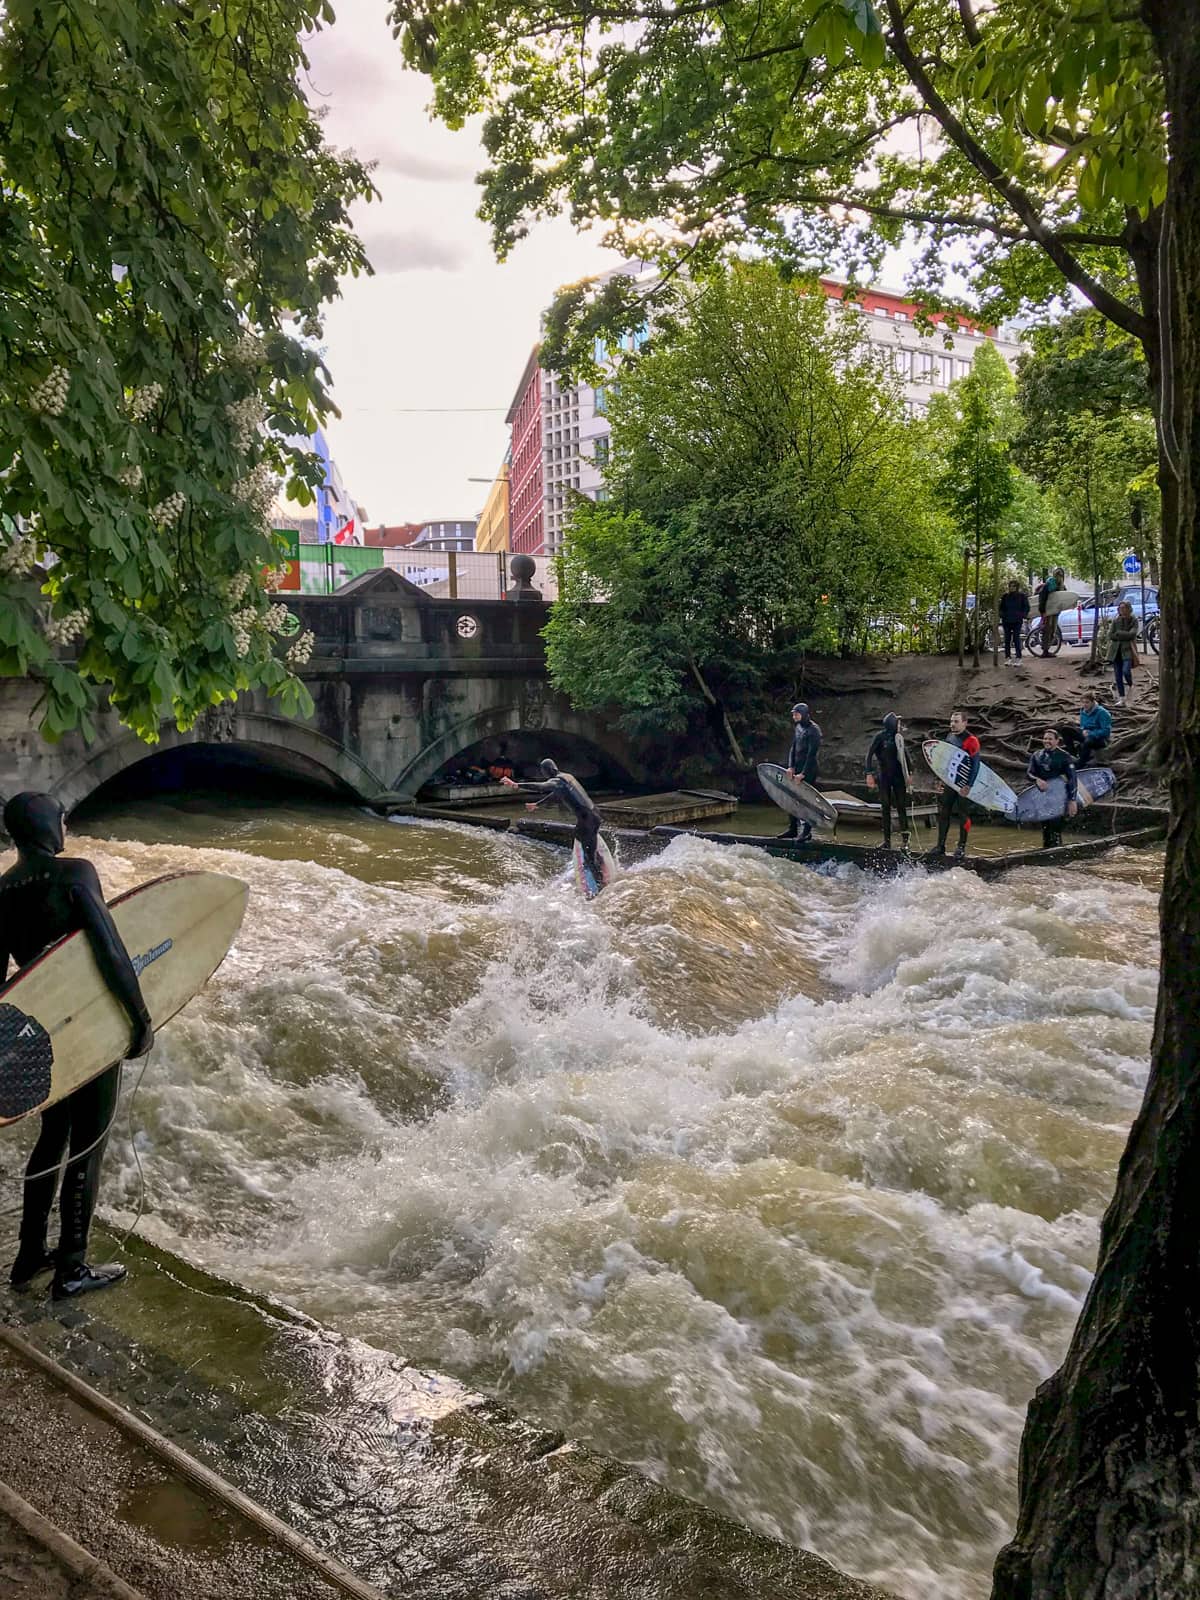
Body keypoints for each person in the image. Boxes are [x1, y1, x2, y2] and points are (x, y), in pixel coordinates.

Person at [0, 792, 154, 1300]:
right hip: (89, 1021)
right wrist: (139, 1018)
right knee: (89, 1140)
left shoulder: (2, 890)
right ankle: (71, 1266)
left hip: (40, 1033)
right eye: (60, 818)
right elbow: (109, 947)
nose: (64, 824)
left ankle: (27, 1256)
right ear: (47, 825)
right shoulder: (75, 873)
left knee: (53, 1135)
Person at [500, 759, 603, 876]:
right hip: (595, 814)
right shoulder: (567, 777)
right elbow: (557, 793)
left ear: (549, 771)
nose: (545, 776)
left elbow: (542, 787)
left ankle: (598, 883)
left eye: (544, 773)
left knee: (589, 856)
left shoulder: (557, 781)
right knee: (579, 835)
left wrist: (516, 785)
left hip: (587, 821)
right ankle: (595, 857)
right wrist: (537, 804)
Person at [928, 709, 979, 861]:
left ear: (965, 722)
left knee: (963, 814)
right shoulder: (950, 736)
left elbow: (975, 765)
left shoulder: (972, 740)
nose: (952, 724)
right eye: (951, 721)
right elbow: (944, 760)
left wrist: (968, 785)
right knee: (944, 812)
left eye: (956, 721)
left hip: (964, 783)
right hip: (950, 782)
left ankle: (961, 846)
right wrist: (939, 780)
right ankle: (940, 846)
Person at [864, 712, 911, 852]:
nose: (900, 725)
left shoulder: (899, 738)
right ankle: (887, 841)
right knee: (885, 808)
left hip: (898, 777)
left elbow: (905, 756)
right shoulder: (880, 737)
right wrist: (869, 773)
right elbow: (869, 754)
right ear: (891, 724)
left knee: (901, 807)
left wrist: (910, 773)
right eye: (898, 722)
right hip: (884, 776)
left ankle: (905, 842)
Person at [1026, 728, 1079, 849]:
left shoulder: (1064, 757)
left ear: (1057, 741)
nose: (1047, 741)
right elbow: (1029, 773)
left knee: (1055, 828)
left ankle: (1057, 853)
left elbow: (1072, 779)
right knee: (1045, 828)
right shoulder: (1037, 755)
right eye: (1045, 738)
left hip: (1059, 798)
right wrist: (1036, 780)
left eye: (1050, 739)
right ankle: (1046, 851)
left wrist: (1072, 800)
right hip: (1043, 798)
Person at [778, 702, 822, 843]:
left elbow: (812, 754)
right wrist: (790, 766)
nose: (794, 716)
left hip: (809, 769)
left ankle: (807, 832)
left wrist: (803, 774)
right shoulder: (798, 727)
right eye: (793, 714)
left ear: (804, 714)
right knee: (791, 798)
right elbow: (793, 747)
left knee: (806, 801)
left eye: (796, 714)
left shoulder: (814, 731)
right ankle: (793, 829)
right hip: (796, 768)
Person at [1063, 691, 1112, 768]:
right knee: (1066, 729)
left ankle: (1080, 764)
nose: (1084, 705)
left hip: (1100, 739)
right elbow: (1083, 726)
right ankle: (1073, 755)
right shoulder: (1083, 711)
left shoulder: (1103, 713)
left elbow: (1106, 732)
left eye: (1087, 702)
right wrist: (1083, 731)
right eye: (1083, 702)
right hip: (1086, 734)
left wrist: (1090, 733)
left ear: (1093, 702)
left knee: (1088, 741)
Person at [1109, 599, 1140, 705]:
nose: (1122, 610)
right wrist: (1122, 635)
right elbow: (1111, 635)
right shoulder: (1116, 620)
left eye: (1124, 608)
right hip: (1116, 651)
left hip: (1127, 651)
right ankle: (1122, 698)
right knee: (1118, 676)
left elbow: (1132, 634)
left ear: (1129, 609)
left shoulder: (1133, 620)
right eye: (1120, 608)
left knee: (1126, 671)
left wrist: (1119, 634)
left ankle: (1131, 684)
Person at [998, 580, 1030, 664]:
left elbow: (1026, 607)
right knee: (1007, 639)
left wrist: (1023, 615)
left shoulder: (1022, 596)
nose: (1011, 588)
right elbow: (1001, 607)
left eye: (1013, 586)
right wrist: (1002, 614)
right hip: (1007, 620)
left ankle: (1019, 658)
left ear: (1017, 587)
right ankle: (1008, 657)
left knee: (1016, 639)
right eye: (1010, 586)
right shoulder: (1005, 596)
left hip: (1017, 620)